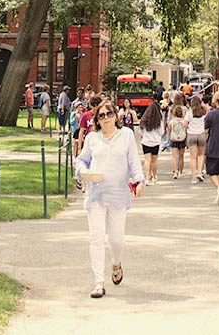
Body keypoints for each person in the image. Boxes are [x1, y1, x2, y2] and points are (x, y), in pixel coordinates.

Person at [74, 102, 144, 299]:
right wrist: (83, 172)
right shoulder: (92, 138)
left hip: (118, 195)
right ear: (96, 120)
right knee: (96, 238)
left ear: (116, 116)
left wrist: (139, 181)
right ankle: (98, 282)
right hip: (96, 194)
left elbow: (133, 160)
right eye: (101, 116)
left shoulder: (126, 136)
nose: (106, 118)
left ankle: (116, 263)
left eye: (109, 114)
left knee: (116, 239)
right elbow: (81, 159)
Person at [138, 99, 163, 183]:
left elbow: (140, 132)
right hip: (155, 142)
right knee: (154, 161)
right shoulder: (158, 121)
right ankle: (154, 177)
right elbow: (161, 132)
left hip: (146, 142)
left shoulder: (143, 121)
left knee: (147, 160)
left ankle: (147, 177)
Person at [184, 99, 208, 185]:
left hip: (191, 134)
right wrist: (204, 105)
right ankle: (199, 172)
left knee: (193, 157)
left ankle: (193, 177)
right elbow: (210, 112)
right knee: (201, 155)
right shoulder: (204, 112)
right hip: (201, 134)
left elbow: (185, 124)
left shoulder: (189, 112)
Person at [165, 95, 189, 179]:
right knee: (181, 156)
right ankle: (180, 171)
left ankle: (175, 171)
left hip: (174, 135)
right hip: (182, 135)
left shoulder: (171, 108)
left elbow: (168, 121)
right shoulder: (185, 109)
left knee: (174, 156)